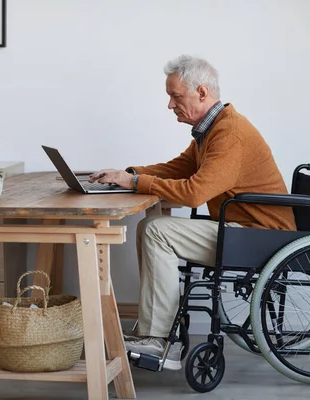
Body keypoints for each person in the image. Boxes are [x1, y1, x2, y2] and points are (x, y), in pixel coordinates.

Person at [89, 55, 296, 370]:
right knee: (153, 227)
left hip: (259, 238)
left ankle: (159, 341)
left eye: (175, 96)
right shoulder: (212, 128)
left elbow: (195, 192)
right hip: (242, 230)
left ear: (201, 92)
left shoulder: (229, 134)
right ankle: (156, 333)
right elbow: (179, 168)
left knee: (156, 229)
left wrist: (135, 182)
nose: (170, 105)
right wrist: (127, 173)